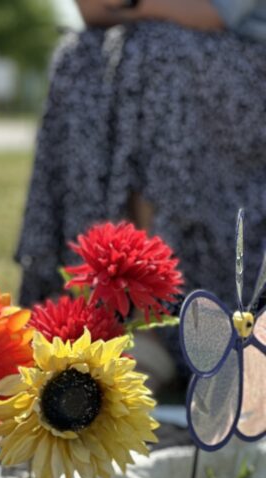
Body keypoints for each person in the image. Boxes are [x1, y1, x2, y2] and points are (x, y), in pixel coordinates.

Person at [16, 0, 266, 389]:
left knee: (155, 51)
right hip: (151, 47)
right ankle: (78, 306)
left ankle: (150, 316)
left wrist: (129, 6)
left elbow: (215, 12)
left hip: (243, 60)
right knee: (77, 55)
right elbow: (91, 10)